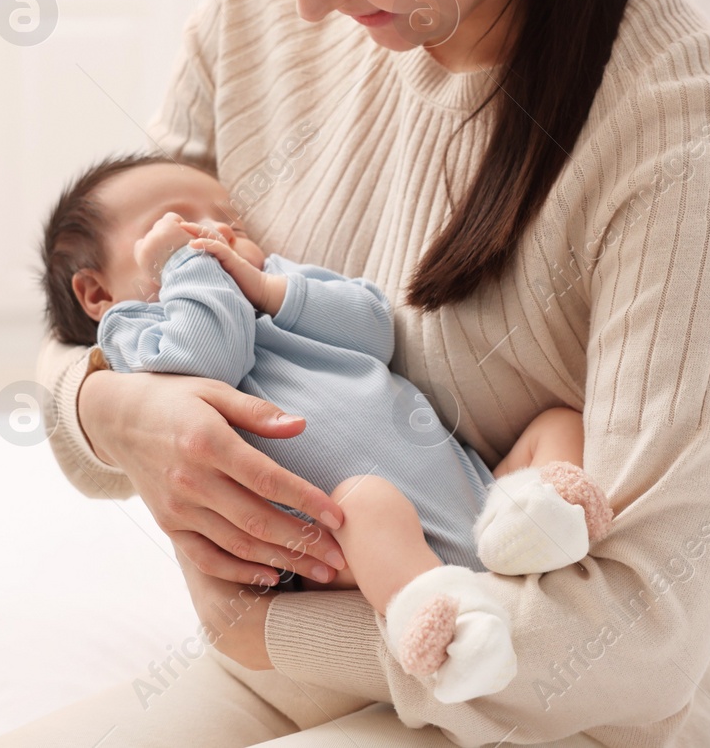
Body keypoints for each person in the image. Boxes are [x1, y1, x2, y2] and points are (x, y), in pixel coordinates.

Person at [0, 0, 710, 743]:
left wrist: (259, 630)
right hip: (310, 664)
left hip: (556, 701)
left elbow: (642, 638)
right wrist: (107, 409)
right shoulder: (260, 9)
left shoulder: (674, 128)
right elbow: (101, 291)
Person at [38, 154, 616, 703]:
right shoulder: (138, 334)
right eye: (177, 223)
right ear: (96, 293)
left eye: (227, 217)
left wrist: (269, 289)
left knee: (558, 424)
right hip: (344, 541)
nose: (213, 229)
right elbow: (212, 357)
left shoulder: (279, 284)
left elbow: (375, 329)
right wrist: (185, 269)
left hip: (475, 489)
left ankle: (532, 524)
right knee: (368, 503)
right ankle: (442, 621)